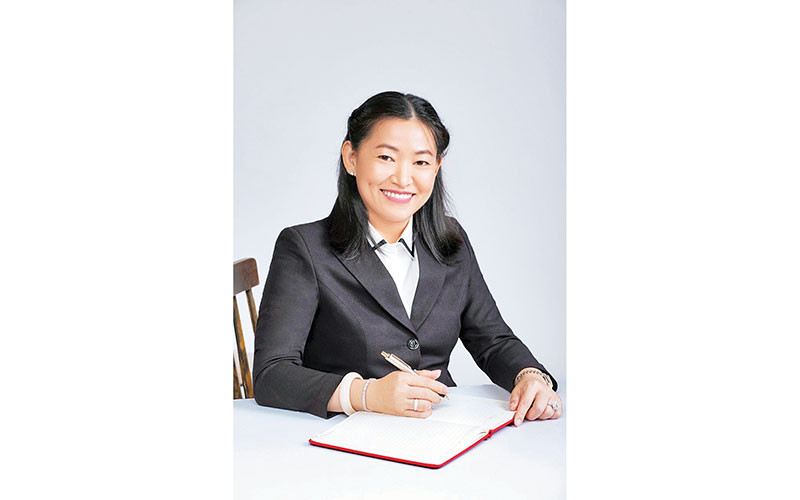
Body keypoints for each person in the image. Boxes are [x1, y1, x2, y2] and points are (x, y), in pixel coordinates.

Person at [252, 91, 561, 426]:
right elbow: (272, 374)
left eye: (421, 162)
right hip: (345, 434)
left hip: (442, 429)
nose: (402, 178)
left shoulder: (452, 240)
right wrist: (365, 394)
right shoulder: (304, 247)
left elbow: (493, 339)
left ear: (436, 167)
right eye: (386, 157)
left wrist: (530, 376)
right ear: (351, 158)